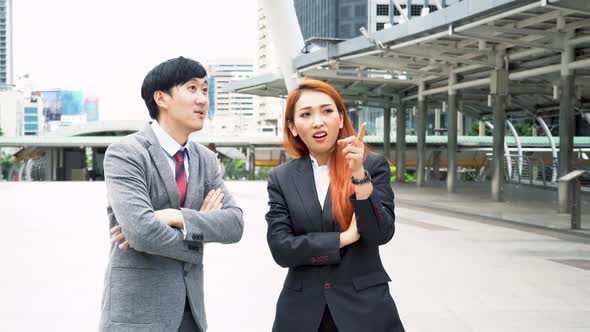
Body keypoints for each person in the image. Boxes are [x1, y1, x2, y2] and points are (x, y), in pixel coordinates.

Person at [99, 56, 244, 331]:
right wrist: (199, 235)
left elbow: (235, 225)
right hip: (136, 314)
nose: (202, 99)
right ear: (161, 98)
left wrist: (176, 216)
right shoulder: (126, 153)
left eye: (205, 89)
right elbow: (141, 231)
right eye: (191, 89)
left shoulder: (206, 159)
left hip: (190, 313)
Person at [265, 79, 405, 332]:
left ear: (340, 119)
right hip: (302, 313)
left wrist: (359, 175)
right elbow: (281, 249)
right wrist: (343, 238)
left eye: (327, 111)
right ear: (293, 127)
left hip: (365, 310)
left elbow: (380, 234)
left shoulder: (372, 166)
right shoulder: (282, 178)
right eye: (306, 114)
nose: (318, 121)